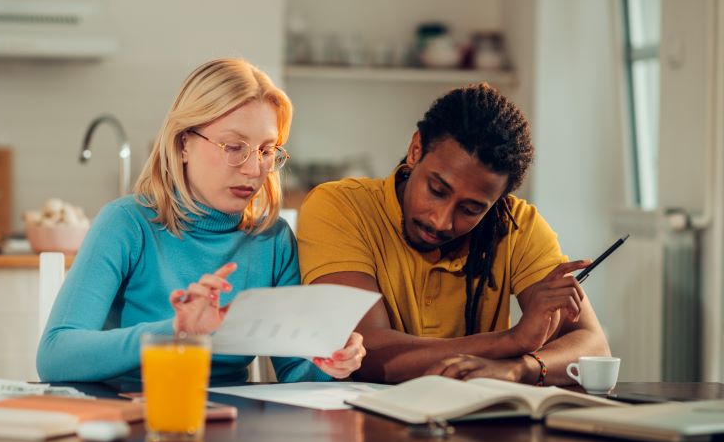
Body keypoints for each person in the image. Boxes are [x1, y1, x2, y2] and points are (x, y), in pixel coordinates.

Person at [37, 58, 365, 385]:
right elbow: (55, 355)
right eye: (234, 147)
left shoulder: (273, 239)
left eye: (266, 151)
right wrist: (176, 330)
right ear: (183, 144)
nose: (254, 170)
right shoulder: (126, 224)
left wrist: (332, 361)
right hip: (132, 415)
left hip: (234, 423)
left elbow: (296, 372)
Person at [297, 83, 610, 385]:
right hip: (363, 425)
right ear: (415, 149)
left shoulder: (516, 225)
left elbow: (594, 348)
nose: (442, 221)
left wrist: (522, 369)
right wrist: (511, 341)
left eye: (471, 209)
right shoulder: (339, 206)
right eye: (436, 190)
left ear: (497, 202)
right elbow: (369, 354)